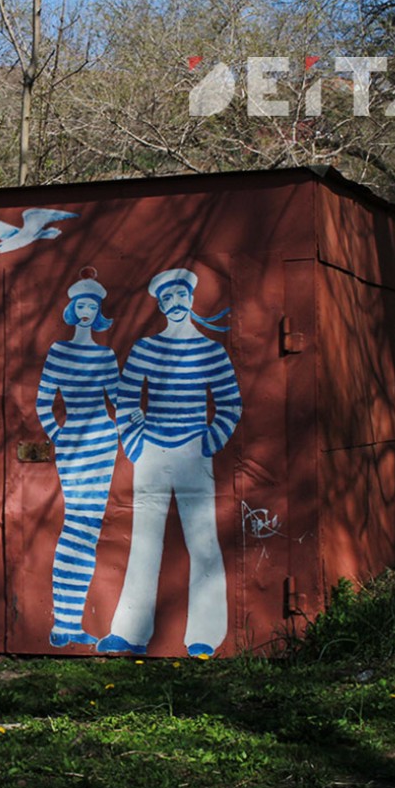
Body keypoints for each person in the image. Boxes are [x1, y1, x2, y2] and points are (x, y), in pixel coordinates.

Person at [97, 268, 240, 658]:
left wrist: (208, 442)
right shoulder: (145, 349)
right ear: (160, 305)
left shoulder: (211, 351)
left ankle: (204, 636)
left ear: (190, 299)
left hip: (194, 450)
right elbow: (127, 399)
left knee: (203, 540)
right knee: (144, 541)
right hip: (152, 453)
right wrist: (136, 445)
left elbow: (230, 403)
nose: (174, 303)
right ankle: (130, 632)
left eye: (180, 295)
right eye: (166, 299)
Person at [36, 269, 119, 647]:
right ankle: (64, 623)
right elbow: (43, 403)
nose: (86, 312)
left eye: (93, 307)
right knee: (76, 526)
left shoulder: (106, 355)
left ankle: (70, 624)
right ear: (72, 309)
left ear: (99, 312)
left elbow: (118, 400)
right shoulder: (58, 351)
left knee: (89, 530)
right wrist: (61, 437)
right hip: (74, 444)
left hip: (103, 443)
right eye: (81, 305)